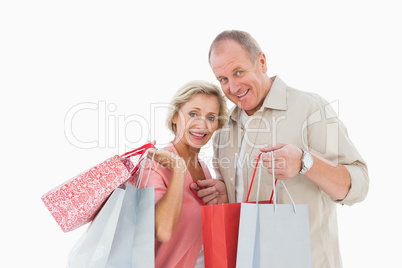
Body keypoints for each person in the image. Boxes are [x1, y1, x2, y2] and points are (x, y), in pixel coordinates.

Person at [190, 30, 369, 267]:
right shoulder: (223, 130)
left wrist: (305, 162)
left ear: (262, 62)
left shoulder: (310, 109)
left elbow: (359, 185)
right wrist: (227, 195)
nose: (232, 87)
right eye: (222, 79)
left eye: (239, 72)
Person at [138, 80, 228, 268]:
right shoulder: (155, 164)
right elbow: (162, 230)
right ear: (175, 117)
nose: (202, 125)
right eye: (193, 114)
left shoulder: (204, 168)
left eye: (211, 118)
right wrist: (179, 170)